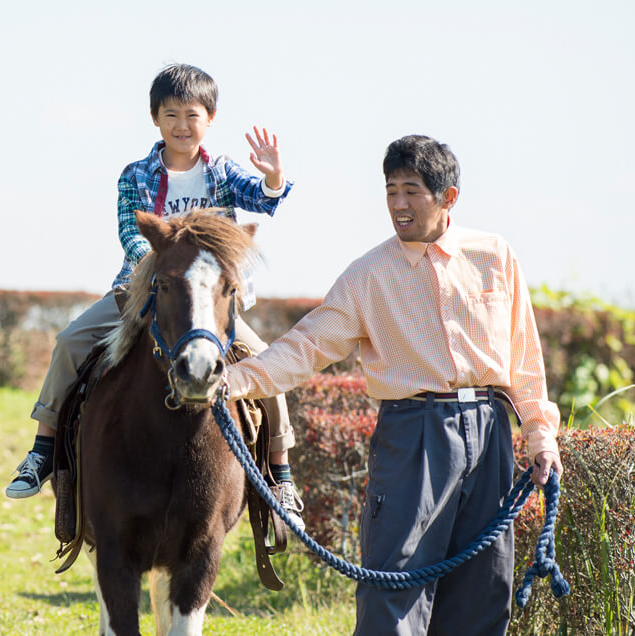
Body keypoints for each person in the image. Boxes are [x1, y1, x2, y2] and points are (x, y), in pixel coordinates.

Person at [225, 134, 563, 635]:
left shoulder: (495, 255)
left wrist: (540, 434)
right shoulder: (368, 275)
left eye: (411, 191)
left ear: (448, 197)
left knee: (485, 589)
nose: (398, 205)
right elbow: (306, 347)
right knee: (393, 586)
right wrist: (229, 381)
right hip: (413, 435)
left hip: (491, 430)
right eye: (390, 191)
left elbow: (524, 357)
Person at [5, 63, 305, 530]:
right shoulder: (135, 175)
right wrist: (167, 268)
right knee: (68, 342)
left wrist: (272, 177)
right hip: (142, 287)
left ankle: (281, 474)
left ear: (210, 120)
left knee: (264, 361)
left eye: (192, 115)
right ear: (155, 119)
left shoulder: (223, 171)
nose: (182, 125)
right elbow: (131, 234)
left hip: (210, 300)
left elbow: (265, 201)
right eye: (171, 115)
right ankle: (42, 452)